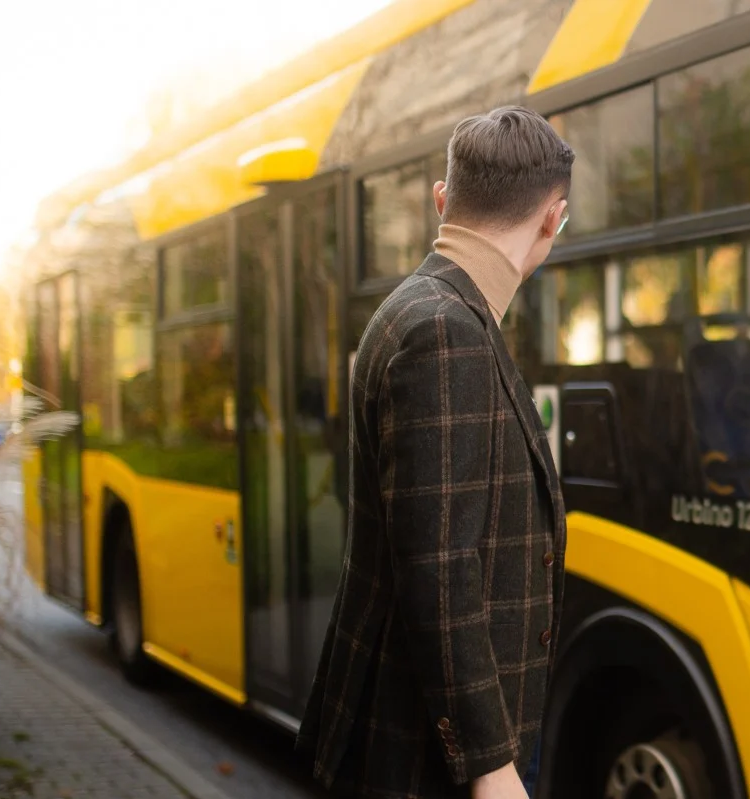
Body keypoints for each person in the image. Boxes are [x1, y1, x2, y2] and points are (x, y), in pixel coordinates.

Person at [296, 106, 572, 799]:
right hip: (423, 759)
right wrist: (490, 763)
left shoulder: (421, 309)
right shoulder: (445, 331)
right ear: (552, 219)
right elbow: (440, 569)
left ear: (442, 200)